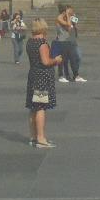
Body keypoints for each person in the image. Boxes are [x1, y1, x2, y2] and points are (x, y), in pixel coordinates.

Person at [25, 19, 59, 147]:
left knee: (33, 107)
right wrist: (56, 60)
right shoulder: (42, 43)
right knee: (40, 107)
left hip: (33, 75)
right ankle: (41, 138)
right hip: (42, 78)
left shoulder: (30, 42)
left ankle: (33, 136)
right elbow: (45, 62)